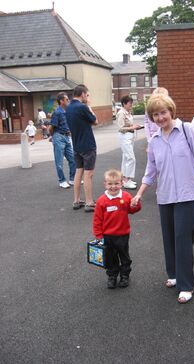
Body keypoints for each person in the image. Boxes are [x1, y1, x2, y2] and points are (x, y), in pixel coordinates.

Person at [131, 94, 194, 304]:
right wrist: (139, 193)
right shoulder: (155, 140)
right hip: (165, 195)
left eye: (163, 112)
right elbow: (151, 170)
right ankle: (174, 274)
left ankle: (186, 285)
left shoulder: (187, 130)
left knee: (183, 238)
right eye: (155, 114)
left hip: (189, 194)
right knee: (170, 238)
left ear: (171, 111)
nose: (160, 118)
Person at [93, 169, 141, 289]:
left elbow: (132, 210)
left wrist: (136, 204)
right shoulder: (101, 201)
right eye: (110, 184)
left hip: (123, 234)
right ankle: (112, 276)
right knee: (110, 258)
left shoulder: (126, 196)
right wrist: (99, 235)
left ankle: (125, 275)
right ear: (105, 184)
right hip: (107, 236)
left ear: (122, 183)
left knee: (124, 256)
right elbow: (97, 219)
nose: (113, 187)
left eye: (116, 183)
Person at [66, 84, 98, 212]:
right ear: (83, 94)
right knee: (88, 174)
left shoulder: (68, 108)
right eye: (87, 95)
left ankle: (77, 200)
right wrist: (89, 107)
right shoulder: (83, 107)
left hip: (76, 145)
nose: (87, 97)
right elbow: (95, 121)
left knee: (79, 171)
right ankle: (89, 203)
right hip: (87, 145)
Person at [48, 92, 76, 189]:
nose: (68, 100)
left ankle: (72, 179)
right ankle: (62, 181)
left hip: (67, 137)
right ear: (61, 101)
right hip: (59, 137)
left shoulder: (67, 111)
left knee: (72, 159)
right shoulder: (57, 112)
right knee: (59, 162)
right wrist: (53, 137)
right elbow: (51, 128)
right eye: (67, 99)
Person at [116, 95, 143, 189]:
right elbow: (120, 128)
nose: (131, 105)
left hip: (130, 136)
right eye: (130, 103)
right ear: (124, 104)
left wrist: (135, 126)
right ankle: (127, 180)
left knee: (126, 158)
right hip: (125, 136)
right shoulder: (121, 113)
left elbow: (129, 124)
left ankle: (125, 179)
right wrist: (133, 127)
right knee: (131, 158)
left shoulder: (128, 112)